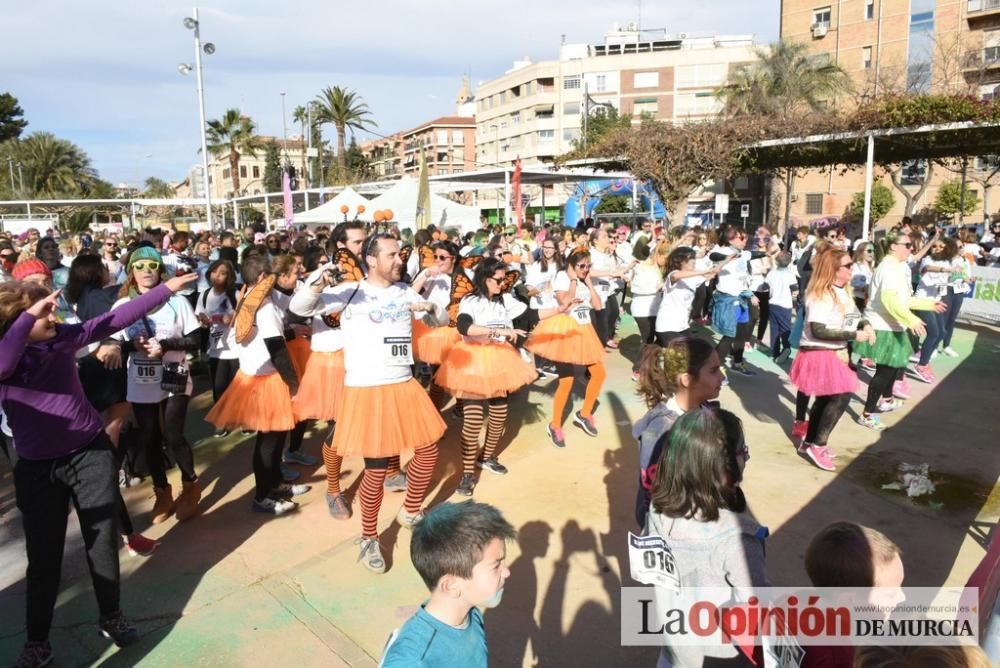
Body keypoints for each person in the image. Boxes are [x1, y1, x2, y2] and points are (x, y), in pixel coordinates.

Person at [1, 272, 197, 668]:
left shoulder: (62, 339)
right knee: (44, 556)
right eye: (43, 313)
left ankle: (111, 615)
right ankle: (37, 642)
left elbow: (113, 321)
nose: (52, 317)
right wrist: (27, 318)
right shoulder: (6, 359)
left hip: (88, 454)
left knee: (103, 541)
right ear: (17, 320)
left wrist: (165, 290)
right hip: (38, 469)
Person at [290, 233, 446, 573]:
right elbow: (298, 308)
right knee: (375, 470)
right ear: (372, 260)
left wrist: (432, 308)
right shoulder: (349, 291)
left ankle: (409, 510)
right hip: (367, 389)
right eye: (391, 255)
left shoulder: (405, 291)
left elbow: (442, 321)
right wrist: (317, 282)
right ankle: (369, 537)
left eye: (399, 254)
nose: (399, 260)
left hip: (403, 384)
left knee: (429, 449)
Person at [643, 408, 766, 668]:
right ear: (723, 467)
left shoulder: (656, 510)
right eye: (742, 451)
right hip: (720, 658)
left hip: (674, 650)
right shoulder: (741, 539)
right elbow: (757, 607)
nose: (746, 457)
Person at [205, 257, 308, 514]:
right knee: (269, 442)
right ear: (263, 277)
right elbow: (276, 348)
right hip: (268, 380)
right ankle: (262, 496)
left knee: (274, 437)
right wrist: (294, 387)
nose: (283, 278)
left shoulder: (249, 295)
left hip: (257, 376)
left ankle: (276, 484)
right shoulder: (264, 307)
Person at [111, 246, 203, 523]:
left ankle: (190, 486)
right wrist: (129, 345)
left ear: (160, 269)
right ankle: (162, 492)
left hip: (174, 372)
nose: (147, 271)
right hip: (140, 378)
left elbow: (197, 341)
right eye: (140, 266)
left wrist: (165, 345)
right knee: (149, 437)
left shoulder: (177, 302)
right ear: (131, 271)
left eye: (152, 265)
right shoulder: (122, 305)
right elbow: (112, 343)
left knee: (173, 434)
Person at [434, 257, 537, 496]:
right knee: (472, 423)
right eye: (498, 280)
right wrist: (497, 330)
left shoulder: (505, 300)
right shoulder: (471, 300)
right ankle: (467, 473)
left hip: (499, 361)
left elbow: (533, 315)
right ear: (485, 278)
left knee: (499, 416)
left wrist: (561, 309)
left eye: (504, 280)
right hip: (472, 363)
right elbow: (464, 327)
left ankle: (486, 457)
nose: (503, 284)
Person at [380, 501, 516, 668]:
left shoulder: (471, 612)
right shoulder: (412, 661)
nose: (507, 571)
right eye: (496, 565)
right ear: (451, 585)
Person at [789, 250, 875, 471]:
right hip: (820, 353)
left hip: (834, 352)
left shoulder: (842, 291)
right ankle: (818, 444)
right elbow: (818, 330)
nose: (852, 269)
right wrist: (854, 335)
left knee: (827, 399)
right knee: (840, 398)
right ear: (834, 270)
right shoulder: (820, 294)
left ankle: (809, 441)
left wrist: (865, 325)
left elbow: (854, 316)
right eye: (847, 265)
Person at [854, 231, 946, 431]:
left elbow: (903, 299)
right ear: (893, 247)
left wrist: (929, 304)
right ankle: (867, 414)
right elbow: (889, 300)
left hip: (891, 325)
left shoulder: (896, 267)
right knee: (885, 372)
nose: (911, 248)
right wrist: (911, 319)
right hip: (883, 327)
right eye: (907, 245)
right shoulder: (889, 268)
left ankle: (886, 400)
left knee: (891, 368)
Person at [632, 337, 724, 528]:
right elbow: (653, 497)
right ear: (687, 379)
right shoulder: (661, 432)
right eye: (714, 371)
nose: (722, 376)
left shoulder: (705, 411)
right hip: (673, 532)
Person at [525, 248, 606, 448]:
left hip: (584, 331)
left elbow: (598, 306)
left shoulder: (585, 279)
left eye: (589, 266)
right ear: (571, 264)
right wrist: (572, 280)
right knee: (567, 380)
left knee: (599, 374)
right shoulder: (562, 277)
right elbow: (565, 302)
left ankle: (584, 414)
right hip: (563, 331)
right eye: (582, 266)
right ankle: (555, 425)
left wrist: (587, 283)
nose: (586, 269)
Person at [801, 522, 906, 668]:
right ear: (848, 600)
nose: (902, 598)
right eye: (890, 594)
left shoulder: (797, 601)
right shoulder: (842, 659)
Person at [195, 259, 239, 437]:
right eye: (214, 272)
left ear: (229, 277)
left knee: (238, 386)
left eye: (222, 273)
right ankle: (221, 421)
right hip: (216, 349)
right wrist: (204, 321)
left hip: (237, 348)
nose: (217, 276)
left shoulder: (235, 294)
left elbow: (247, 316)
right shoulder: (204, 295)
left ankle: (243, 418)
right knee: (219, 386)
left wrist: (233, 318)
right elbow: (201, 319)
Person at [654, 246, 724, 346]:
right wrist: (704, 271)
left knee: (690, 352)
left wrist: (727, 259)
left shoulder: (693, 278)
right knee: (683, 355)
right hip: (667, 326)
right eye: (690, 258)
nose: (693, 261)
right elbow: (675, 276)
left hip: (682, 325)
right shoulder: (673, 274)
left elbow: (712, 273)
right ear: (681, 261)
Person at [626, 239, 664, 381]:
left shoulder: (654, 266)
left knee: (660, 337)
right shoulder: (638, 267)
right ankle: (638, 369)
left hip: (656, 308)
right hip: (642, 308)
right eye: (662, 256)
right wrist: (658, 288)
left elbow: (656, 248)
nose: (664, 259)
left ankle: (650, 364)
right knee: (648, 338)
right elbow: (634, 287)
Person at [765, 251, 797, 363]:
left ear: (776, 261)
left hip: (773, 303)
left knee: (774, 329)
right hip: (785, 305)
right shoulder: (790, 274)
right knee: (785, 329)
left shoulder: (771, 273)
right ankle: (786, 348)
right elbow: (795, 290)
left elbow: (766, 287)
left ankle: (775, 352)